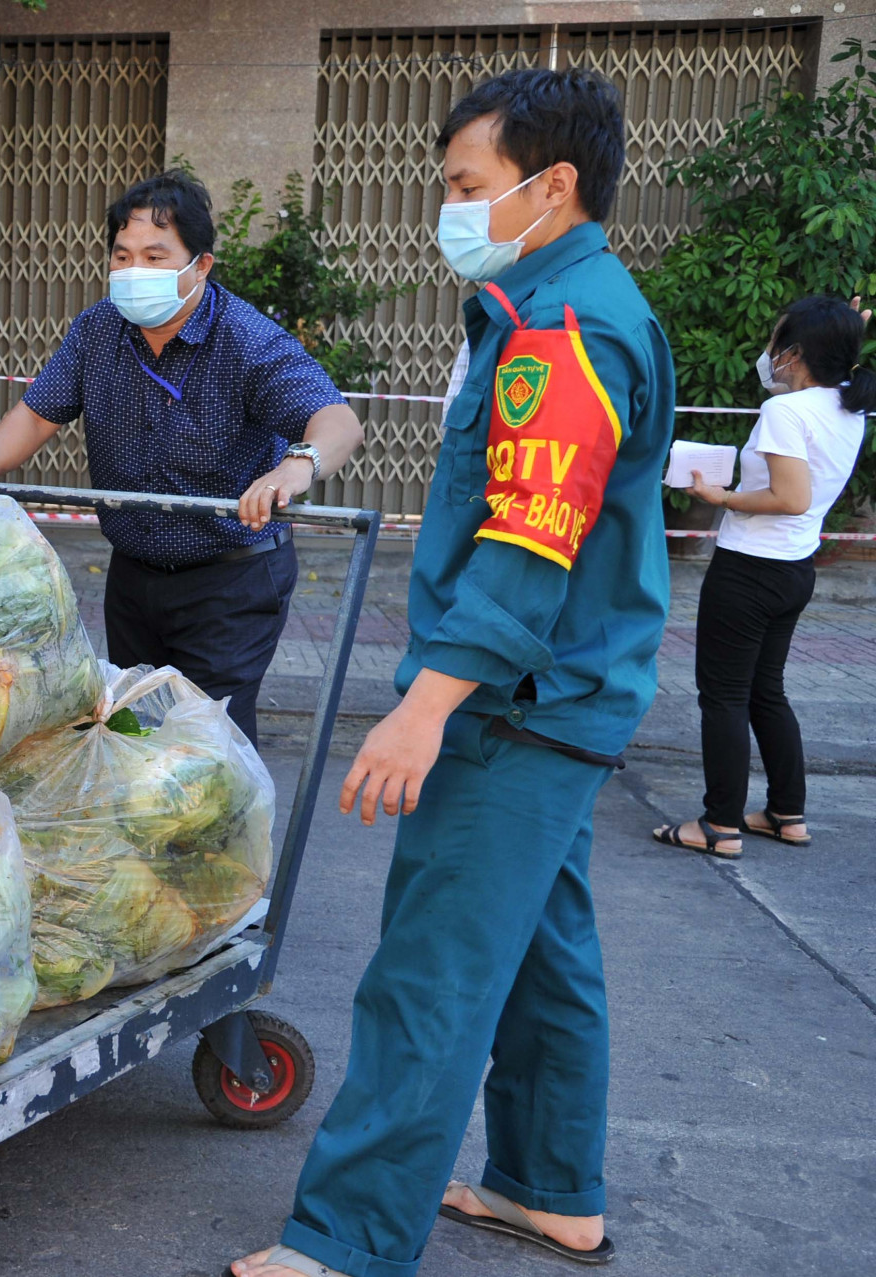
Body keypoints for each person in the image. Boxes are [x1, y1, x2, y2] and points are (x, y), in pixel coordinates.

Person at [233, 68, 674, 1277]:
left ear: (555, 185)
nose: (455, 208)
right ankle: (551, 1190)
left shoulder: (564, 327)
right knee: (545, 952)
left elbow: (532, 537)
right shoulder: (564, 306)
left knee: (429, 975)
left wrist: (426, 704)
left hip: (512, 706)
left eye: (470, 187)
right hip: (563, 703)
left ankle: (347, 1240)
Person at [0, 170, 364, 744]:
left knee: (206, 746)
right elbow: (35, 415)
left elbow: (338, 422)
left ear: (200, 265)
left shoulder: (246, 339)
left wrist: (293, 466)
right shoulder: (99, 330)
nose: (134, 273)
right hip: (134, 577)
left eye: (156, 257)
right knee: (132, 732)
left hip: (232, 579)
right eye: (122, 257)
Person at [652, 295, 872, 857]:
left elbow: (791, 496)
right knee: (764, 691)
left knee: (722, 696)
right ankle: (784, 812)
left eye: (776, 343)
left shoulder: (786, 413)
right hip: (793, 571)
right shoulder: (847, 406)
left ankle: (719, 824)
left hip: (748, 570)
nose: (767, 354)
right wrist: (847, 329)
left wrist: (720, 497)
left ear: (794, 354)